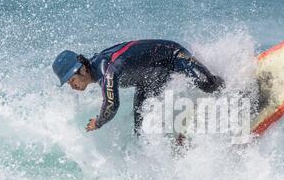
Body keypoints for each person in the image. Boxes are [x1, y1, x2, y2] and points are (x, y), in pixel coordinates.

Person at [52, 40, 225, 134]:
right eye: (68, 83)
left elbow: (112, 105)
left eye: (71, 80)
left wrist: (98, 122)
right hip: (148, 80)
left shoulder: (107, 70)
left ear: (82, 69)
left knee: (207, 85)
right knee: (141, 130)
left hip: (173, 56)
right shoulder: (98, 72)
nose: (72, 86)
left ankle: (236, 86)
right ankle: (178, 140)